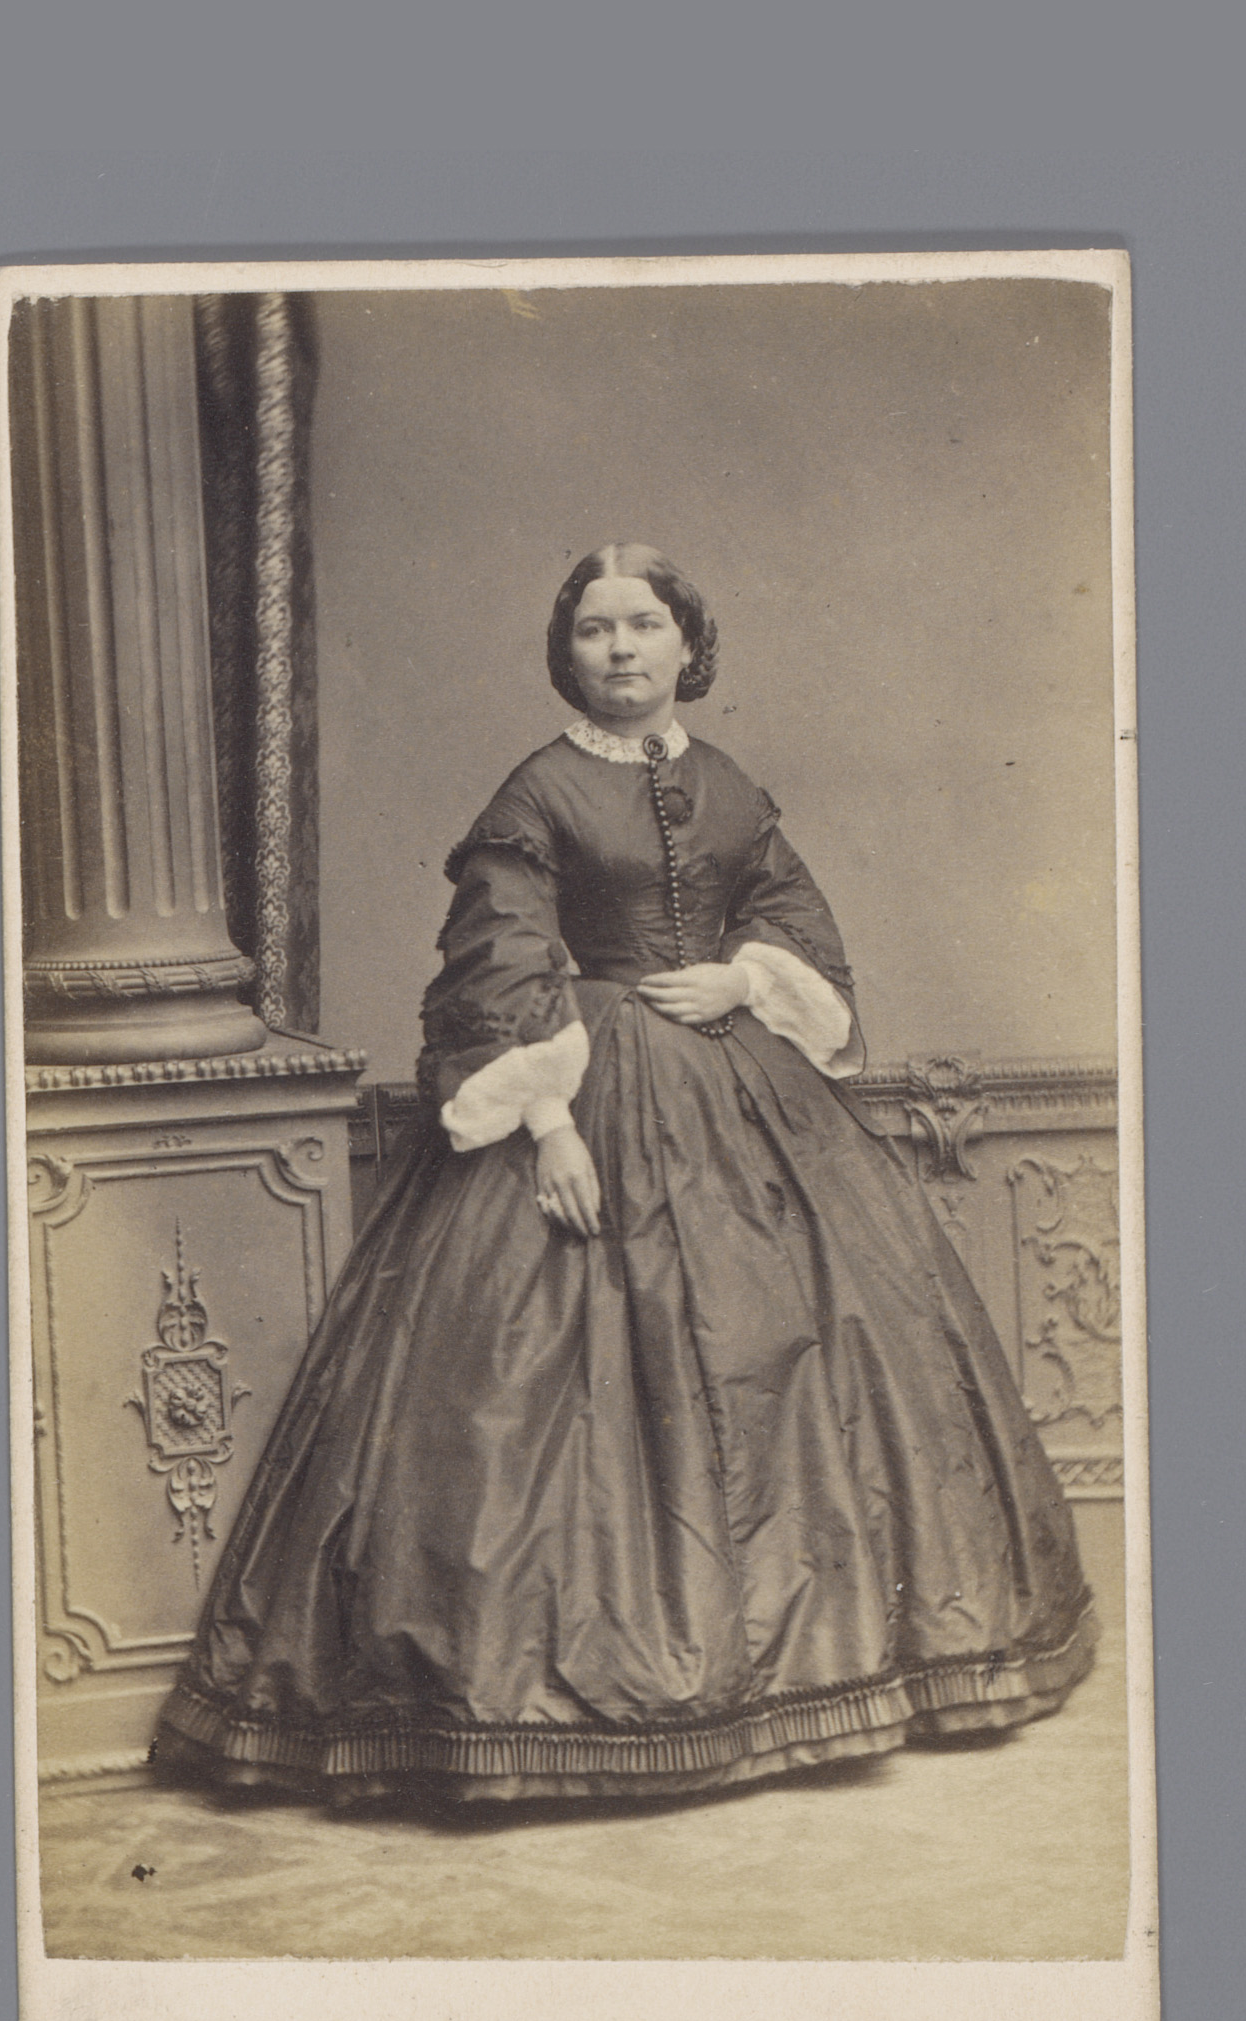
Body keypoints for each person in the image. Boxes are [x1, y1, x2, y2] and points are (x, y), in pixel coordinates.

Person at [157, 543, 1095, 1805]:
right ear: (567, 651)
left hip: (741, 1094)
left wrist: (743, 976)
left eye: (644, 624)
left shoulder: (726, 781)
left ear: (685, 643)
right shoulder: (537, 792)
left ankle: (813, 1674)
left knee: (796, 1359)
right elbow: (499, 956)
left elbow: (791, 913)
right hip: (587, 1091)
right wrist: (549, 1125)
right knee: (540, 1387)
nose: (620, 648)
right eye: (595, 628)